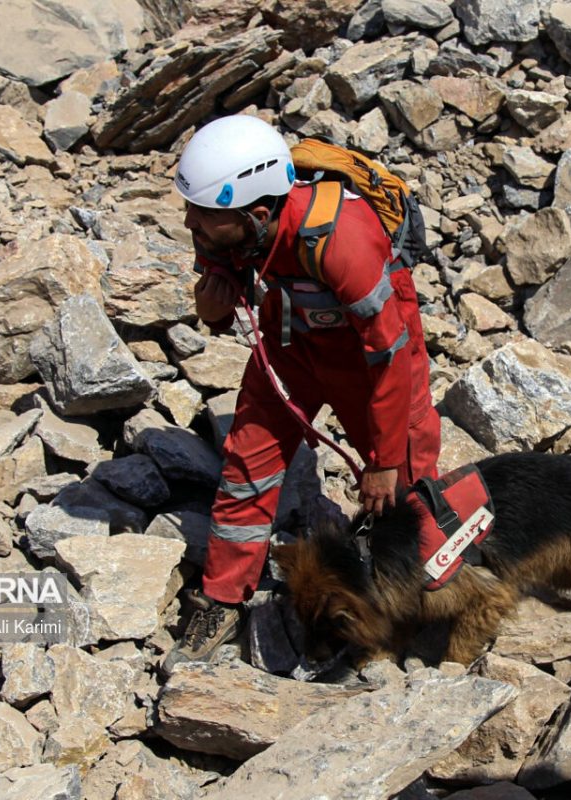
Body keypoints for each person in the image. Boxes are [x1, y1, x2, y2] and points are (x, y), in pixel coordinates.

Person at [166, 114, 442, 667]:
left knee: (407, 485)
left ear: (258, 214)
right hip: (289, 349)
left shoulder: (342, 239)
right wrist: (213, 304)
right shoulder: (225, 229)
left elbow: (388, 355)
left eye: (205, 217)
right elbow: (214, 307)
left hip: (371, 362)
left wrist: (383, 460)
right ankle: (223, 597)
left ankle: (423, 600)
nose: (191, 223)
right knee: (248, 465)